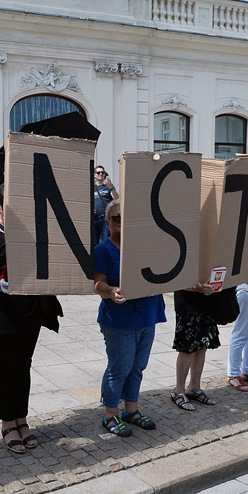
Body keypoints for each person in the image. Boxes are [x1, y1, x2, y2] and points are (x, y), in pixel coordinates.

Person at [0, 184, 62, 453]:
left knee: (23, 367)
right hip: (3, 313)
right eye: (9, 204)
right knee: (6, 369)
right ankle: (7, 423)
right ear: (0, 206)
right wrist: (2, 283)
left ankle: (22, 419)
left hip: (30, 311)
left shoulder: (31, 232)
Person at [93, 201, 165, 436]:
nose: (121, 221)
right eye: (115, 218)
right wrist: (111, 291)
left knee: (137, 367)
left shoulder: (144, 248)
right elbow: (97, 284)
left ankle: (131, 411)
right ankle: (110, 415)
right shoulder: (103, 249)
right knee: (119, 368)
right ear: (107, 222)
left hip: (147, 315)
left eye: (125, 217)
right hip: (119, 320)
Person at [171, 281, 221, 406]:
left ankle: (194, 387)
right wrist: (198, 288)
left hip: (207, 299)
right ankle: (179, 390)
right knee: (187, 348)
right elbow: (178, 277)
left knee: (202, 345)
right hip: (187, 300)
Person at [92, 165, 119, 249]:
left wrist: (111, 188)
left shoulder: (108, 187)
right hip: (94, 218)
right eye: (98, 172)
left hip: (105, 218)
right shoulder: (91, 187)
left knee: (105, 241)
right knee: (94, 242)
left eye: (102, 172)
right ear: (94, 175)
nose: (101, 174)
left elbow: (117, 198)